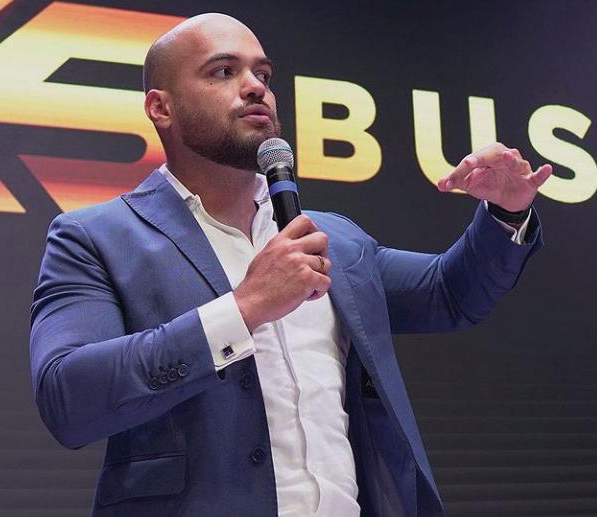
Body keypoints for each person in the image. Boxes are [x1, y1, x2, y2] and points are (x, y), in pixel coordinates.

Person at [29, 13, 552, 517]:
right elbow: (66, 396)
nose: (255, 87)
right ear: (160, 107)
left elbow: (449, 294)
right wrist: (244, 309)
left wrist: (506, 211)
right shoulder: (93, 237)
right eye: (223, 71)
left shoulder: (334, 238)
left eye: (263, 74)